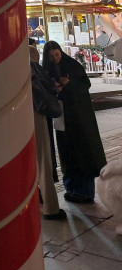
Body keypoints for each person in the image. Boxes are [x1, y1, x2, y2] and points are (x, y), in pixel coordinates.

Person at [42, 40, 106, 203]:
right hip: (62, 118)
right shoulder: (47, 70)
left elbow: (84, 85)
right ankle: (72, 189)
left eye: (57, 55)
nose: (55, 58)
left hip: (78, 117)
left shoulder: (72, 65)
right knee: (66, 153)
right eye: (51, 56)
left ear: (61, 52)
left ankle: (85, 192)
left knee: (81, 152)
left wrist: (68, 85)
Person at [29, 42, 66, 220]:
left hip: (17, 120)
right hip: (36, 116)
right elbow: (49, 89)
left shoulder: (12, 71)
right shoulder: (34, 69)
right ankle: (51, 207)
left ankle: (32, 196)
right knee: (44, 160)